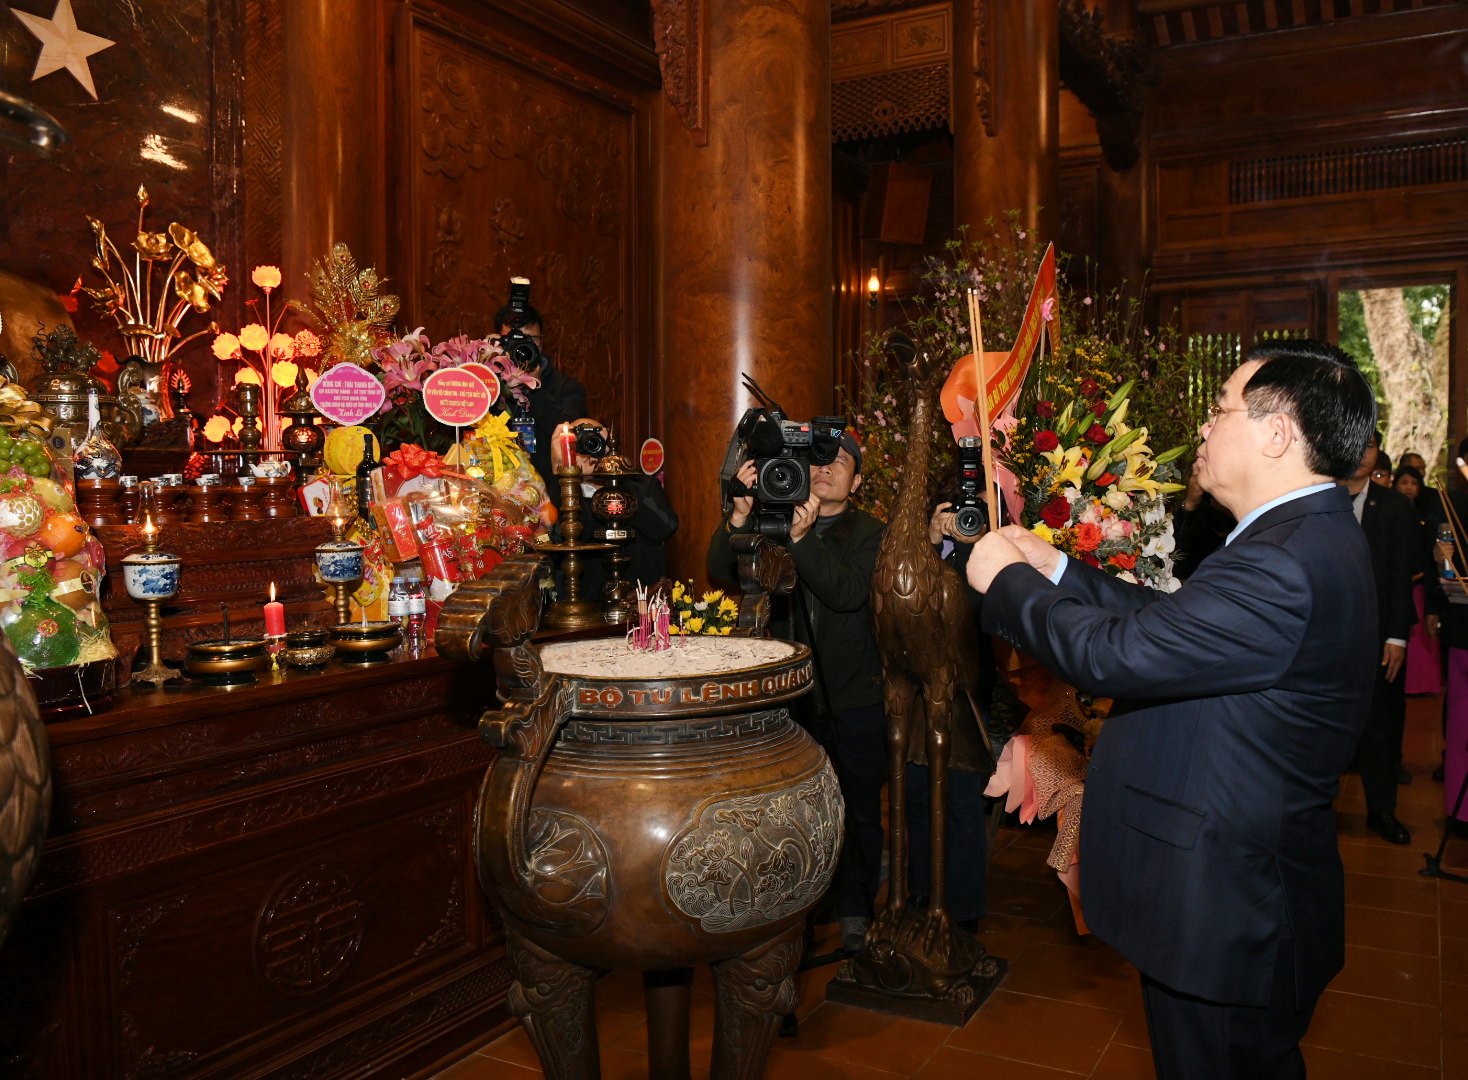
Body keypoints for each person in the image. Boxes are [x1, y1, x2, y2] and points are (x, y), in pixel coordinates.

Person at [966, 339, 1378, 1080]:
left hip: (1230, 909)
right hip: (1237, 894)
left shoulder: (1284, 560)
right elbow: (1171, 627)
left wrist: (1006, 585)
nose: (1205, 429)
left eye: (1219, 410)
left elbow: (1113, 657)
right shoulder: (1302, 537)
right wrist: (1055, 567)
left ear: (1277, 433)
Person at [706, 432, 884, 952]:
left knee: (857, 809)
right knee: (793, 812)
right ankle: (797, 912)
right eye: (817, 461)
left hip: (853, 695)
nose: (825, 469)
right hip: (789, 695)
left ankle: (856, 909)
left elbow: (848, 593)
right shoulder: (775, 521)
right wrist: (740, 517)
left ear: (857, 480)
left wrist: (804, 542)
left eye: (839, 462)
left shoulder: (872, 533)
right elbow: (723, 572)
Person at [1342, 431, 1419, 839]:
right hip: (1326, 637)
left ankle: (1382, 811)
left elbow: (1400, 577)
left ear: (1377, 454)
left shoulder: (1393, 507)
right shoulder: (1319, 497)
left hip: (1377, 637)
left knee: (1382, 725)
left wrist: (1397, 637)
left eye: (1368, 446)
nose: (1359, 453)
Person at [494, 299, 587, 487]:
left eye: (530, 340)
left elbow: (568, 443)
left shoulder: (567, 389)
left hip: (553, 494)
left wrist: (534, 386)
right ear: (498, 342)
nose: (521, 347)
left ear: (542, 343)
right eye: (513, 340)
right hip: (499, 491)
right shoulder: (491, 388)